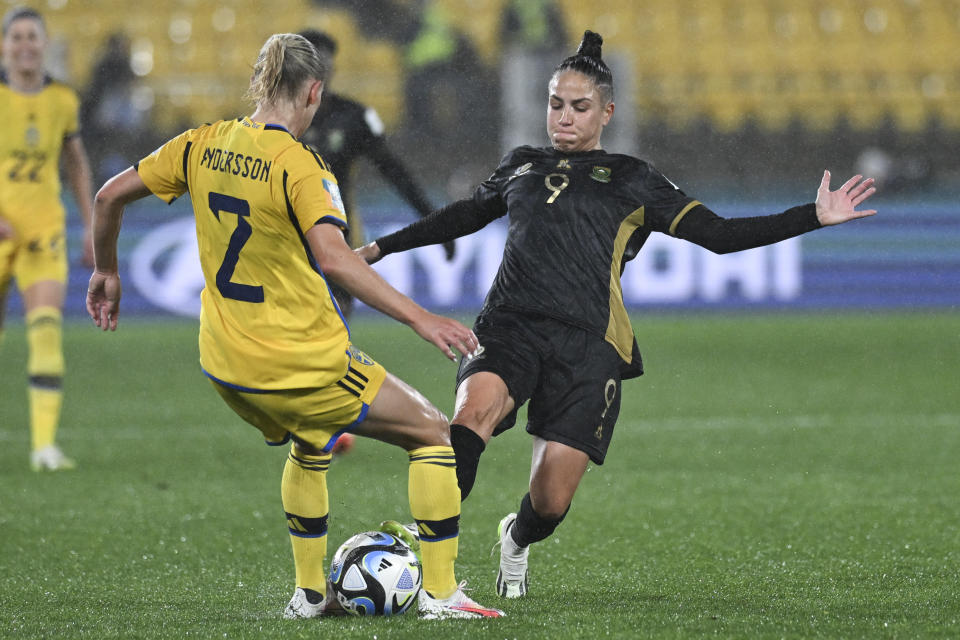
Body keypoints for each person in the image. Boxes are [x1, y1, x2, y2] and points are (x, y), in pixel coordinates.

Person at [357, 31, 878, 599]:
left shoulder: (634, 178)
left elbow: (722, 237)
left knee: (551, 503)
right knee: (471, 414)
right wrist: (380, 249)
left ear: (607, 111)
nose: (564, 117)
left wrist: (814, 216)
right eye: (556, 104)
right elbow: (460, 217)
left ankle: (517, 538)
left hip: (590, 345)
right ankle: (430, 556)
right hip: (510, 325)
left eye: (579, 107)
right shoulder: (521, 165)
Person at [85, 33, 502, 620]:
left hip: (227, 365)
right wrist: (420, 318)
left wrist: (106, 269)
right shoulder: (303, 167)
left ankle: (309, 596)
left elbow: (107, 199)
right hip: (300, 361)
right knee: (433, 434)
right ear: (313, 92)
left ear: (261, 84)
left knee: (312, 439)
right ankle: (442, 595)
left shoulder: (200, 143)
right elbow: (335, 258)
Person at [297, 29, 453, 318]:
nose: (322, 68)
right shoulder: (279, 117)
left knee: (333, 325)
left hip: (337, 236)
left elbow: (395, 172)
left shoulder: (354, 117)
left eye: (326, 62)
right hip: (285, 236)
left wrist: (435, 222)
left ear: (334, 69)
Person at [0, 7, 95, 471]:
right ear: (3, 45)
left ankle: (44, 447)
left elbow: (75, 162)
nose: (24, 45)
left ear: (44, 44)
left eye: (32, 37)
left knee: (44, 329)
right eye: (15, 36)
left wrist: (91, 224)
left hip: (43, 229)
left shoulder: (62, 99)